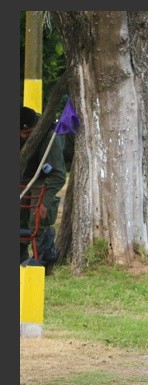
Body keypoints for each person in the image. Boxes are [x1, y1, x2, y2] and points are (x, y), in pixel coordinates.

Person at [20, 106, 67, 275]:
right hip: (21, 179)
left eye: (29, 133)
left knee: (37, 218)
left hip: (43, 179)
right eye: (21, 133)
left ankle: (42, 266)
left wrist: (44, 200)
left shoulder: (49, 136)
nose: (24, 137)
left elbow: (58, 175)